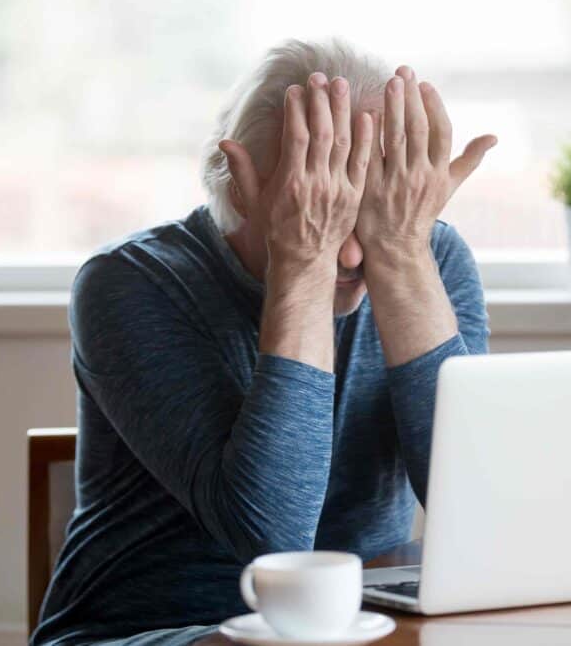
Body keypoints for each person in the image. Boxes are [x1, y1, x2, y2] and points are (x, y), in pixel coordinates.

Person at [31, 38, 495, 645]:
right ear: (240, 188)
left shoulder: (424, 257)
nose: (354, 253)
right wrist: (302, 262)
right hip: (156, 631)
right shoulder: (130, 282)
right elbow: (272, 537)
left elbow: (480, 517)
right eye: (317, 208)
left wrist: (404, 255)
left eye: (372, 210)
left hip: (367, 631)